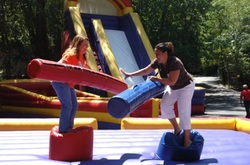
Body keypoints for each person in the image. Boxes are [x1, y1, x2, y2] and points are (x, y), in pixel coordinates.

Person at [121, 42, 195, 147]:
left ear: (165, 53)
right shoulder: (158, 61)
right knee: (165, 105)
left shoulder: (175, 62)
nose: (156, 57)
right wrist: (130, 74)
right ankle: (177, 129)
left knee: (183, 110)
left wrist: (157, 79)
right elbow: (147, 70)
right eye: (155, 54)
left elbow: (171, 81)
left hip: (185, 87)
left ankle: (187, 139)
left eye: (158, 54)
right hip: (174, 87)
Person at [52, 34, 89, 133]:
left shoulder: (83, 58)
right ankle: (63, 130)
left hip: (68, 83)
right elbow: (60, 66)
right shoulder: (71, 55)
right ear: (78, 45)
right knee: (67, 105)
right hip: (60, 81)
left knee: (74, 105)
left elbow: (87, 72)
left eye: (87, 46)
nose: (86, 48)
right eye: (84, 45)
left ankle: (69, 127)